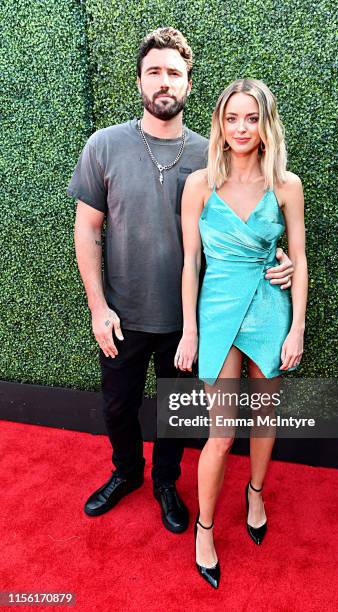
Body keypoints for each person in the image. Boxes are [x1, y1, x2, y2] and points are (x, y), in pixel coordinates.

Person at [67, 29, 296, 535]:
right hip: (123, 313)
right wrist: (97, 307)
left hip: (191, 317)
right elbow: (87, 228)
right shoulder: (103, 145)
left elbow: (249, 212)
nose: (164, 81)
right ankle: (126, 472)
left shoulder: (211, 156)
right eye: (155, 71)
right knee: (118, 404)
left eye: (174, 72)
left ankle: (166, 482)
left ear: (189, 82)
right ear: (139, 80)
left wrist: (274, 253)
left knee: (177, 411)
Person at [176, 78, 307, 587]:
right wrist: (189, 331)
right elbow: (191, 263)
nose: (240, 128)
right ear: (219, 123)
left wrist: (297, 325)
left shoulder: (286, 185)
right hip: (217, 310)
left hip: (270, 309)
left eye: (251, 118)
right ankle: (204, 529)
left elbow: (299, 258)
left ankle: (255, 492)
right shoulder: (200, 184)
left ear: (266, 123)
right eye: (232, 118)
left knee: (265, 414)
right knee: (221, 431)